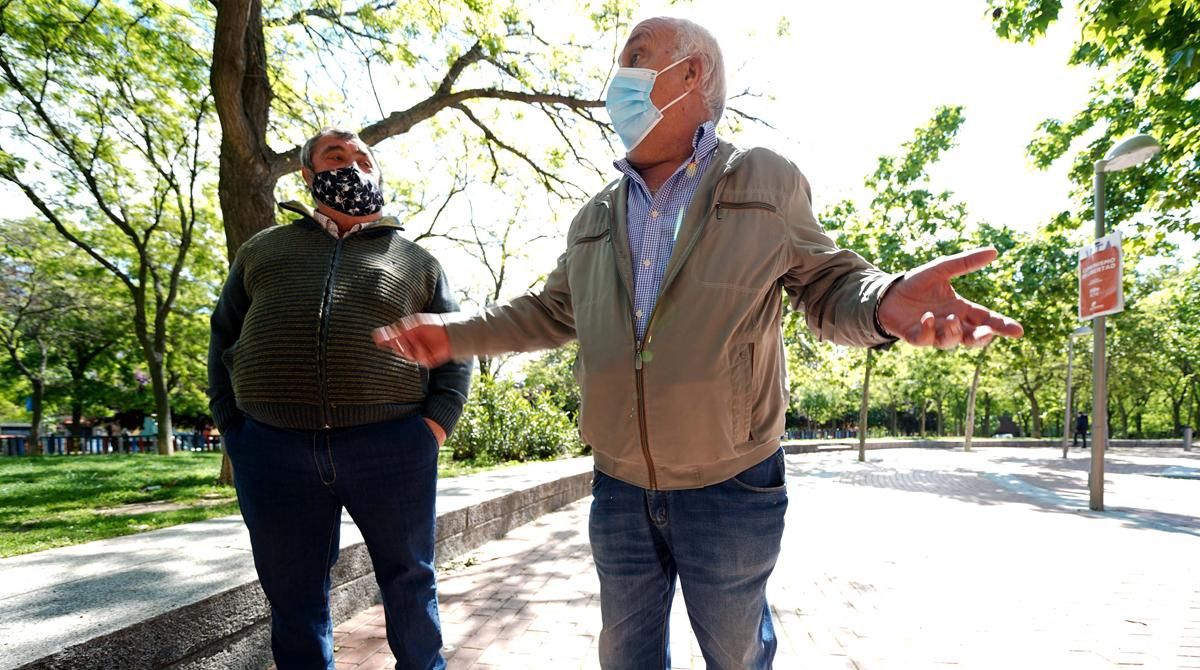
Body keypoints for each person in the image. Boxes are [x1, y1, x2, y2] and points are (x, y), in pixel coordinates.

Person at [373, 17, 1024, 670]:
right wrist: (452, 334)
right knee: (625, 659)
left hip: (733, 484)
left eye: (635, 56)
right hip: (619, 486)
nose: (617, 78)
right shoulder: (595, 215)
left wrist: (885, 303)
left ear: (692, 74)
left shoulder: (763, 179)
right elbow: (549, 312)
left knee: (737, 657)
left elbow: (829, 289)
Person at [207, 128, 471, 670]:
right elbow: (224, 334)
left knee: (409, 579)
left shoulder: (416, 261)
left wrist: (434, 427)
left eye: (362, 158)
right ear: (309, 175)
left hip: (392, 447)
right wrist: (232, 425)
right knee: (293, 593)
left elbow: (455, 346)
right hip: (273, 451)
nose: (351, 165)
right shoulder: (263, 249)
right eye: (335, 155)